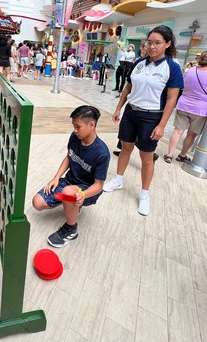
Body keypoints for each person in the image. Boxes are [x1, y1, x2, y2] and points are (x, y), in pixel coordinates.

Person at [103, 25, 184, 216]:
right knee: (125, 148)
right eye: (150, 42)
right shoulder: (139, 62)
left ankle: (145, 194)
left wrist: (162, 125)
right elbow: (128, 87)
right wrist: (118, 109)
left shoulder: (172, 68)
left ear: (167, 44)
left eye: (158, 43)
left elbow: (172, 99)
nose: (152, 46)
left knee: (146, 157)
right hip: (131, 113)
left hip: (152, 116)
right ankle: (118, 179)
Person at [32, 105, 110, 247]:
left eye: (78, 127)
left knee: (68, 193)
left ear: (91, 125)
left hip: (87, 190)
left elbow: (99, 185)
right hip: (69, 181)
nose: (75, 130)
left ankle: (71, 228)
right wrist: (56, 178)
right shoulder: (75, 137)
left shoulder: (102, 153)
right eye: (74, 126)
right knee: (37, 203)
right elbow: (69, 157)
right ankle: (71, 205)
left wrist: (82, 194)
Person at [164, 50, 207, 163]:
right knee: (191, 134)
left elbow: (182, 85)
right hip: (201, 110)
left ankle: (169, 155)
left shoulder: (191, 70)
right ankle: (182, 155)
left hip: (183, 104)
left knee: (178, 131)